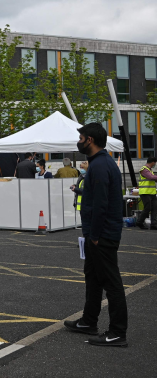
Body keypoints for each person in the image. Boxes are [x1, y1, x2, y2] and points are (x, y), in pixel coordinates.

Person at [64, 122, 127, 347]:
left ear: (89, 140)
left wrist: (96, 235)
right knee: (92, 277)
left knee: (111, 283)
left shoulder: (100, 165)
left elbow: (101, 203)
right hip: (96, 232)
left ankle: (118, 332)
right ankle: (88, 321)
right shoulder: (100, 163)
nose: (78, 142)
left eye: (80, 138)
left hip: (102, 234)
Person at [135, 157, 157, 230]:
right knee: (148, 208)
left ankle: (154, 224)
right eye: (155, 163)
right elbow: (151, 177)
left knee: (154, 208)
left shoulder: (150, 170)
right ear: (153, 162)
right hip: (145, 192)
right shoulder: (144, 169)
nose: (155, 164)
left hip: (152, 193)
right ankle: (139, 222)